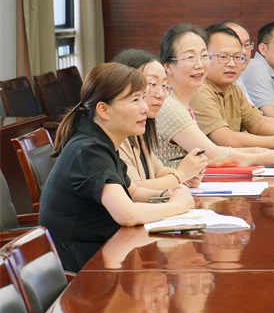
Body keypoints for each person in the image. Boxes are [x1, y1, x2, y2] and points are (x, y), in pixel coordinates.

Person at [39, 63, 195, 272]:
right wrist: (177, 206)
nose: (144, 108)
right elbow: (127, 214)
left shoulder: (102, 143)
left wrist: (168, 194)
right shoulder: (89, 150)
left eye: (143, 98)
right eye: (135, 100)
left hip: (103, 254)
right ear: (104, 110)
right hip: (83, 269)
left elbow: (133, 192)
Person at [155, 23, 274, 167]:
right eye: (190, 57)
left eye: (204, 56)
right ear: (168, 66)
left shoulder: (182, 104)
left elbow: (210, 152)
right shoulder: (170, 106)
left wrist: (255, 151)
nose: (200, 65)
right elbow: (213, 156)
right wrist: (261, 157)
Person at [190, 24, 274, 149]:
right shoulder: (199, 90)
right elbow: (226, 139)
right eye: (223, 57)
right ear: (204, 57)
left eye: (237, 57)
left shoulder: (234, 89)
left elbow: (258, 124)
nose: (232, 64)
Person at [112, 49, 208, 189]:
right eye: (152, 84)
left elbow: (158, 171)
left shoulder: (140, 128)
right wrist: (180, 175)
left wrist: (186, 176)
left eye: (164, 86)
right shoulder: (116, 135)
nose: (161, 94)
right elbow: (134, 189)